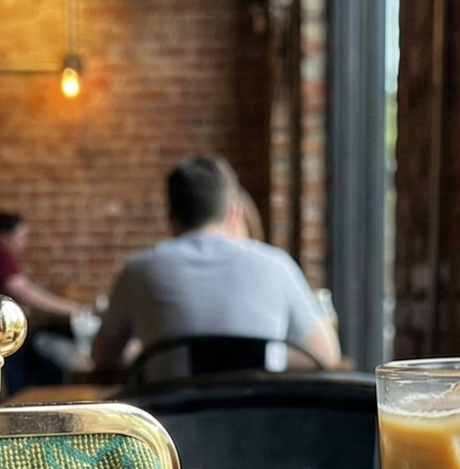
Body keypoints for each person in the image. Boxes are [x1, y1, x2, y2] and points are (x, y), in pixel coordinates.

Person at [90, 155, 341, 380]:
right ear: (234, 213)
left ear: (172, 218)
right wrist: (267, 355)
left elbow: (101, 358)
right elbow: (327, 355)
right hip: (259, 425)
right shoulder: (277, 265)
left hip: (168, 427)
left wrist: (154, 356)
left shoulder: (138, 270)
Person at [0, 213, 82, 396]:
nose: (23, 244)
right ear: (5, 235)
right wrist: (76, 309)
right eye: (21, 237)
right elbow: (26, 293)